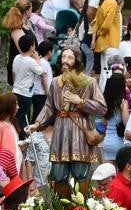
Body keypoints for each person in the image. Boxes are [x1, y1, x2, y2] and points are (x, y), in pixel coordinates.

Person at [28, 48, 106, 186]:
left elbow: (102, 107)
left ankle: (80, 207)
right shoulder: (55, 82)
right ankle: (60, 207)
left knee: (80, 174)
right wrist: (38, 124)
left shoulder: (89, 82)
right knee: (58, 175)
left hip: (80, 131)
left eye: (70, 58)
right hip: (61, 131)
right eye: (63, 57)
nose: (65, 60)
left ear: (77, 61)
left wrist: (81, 102)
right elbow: (49, 107)